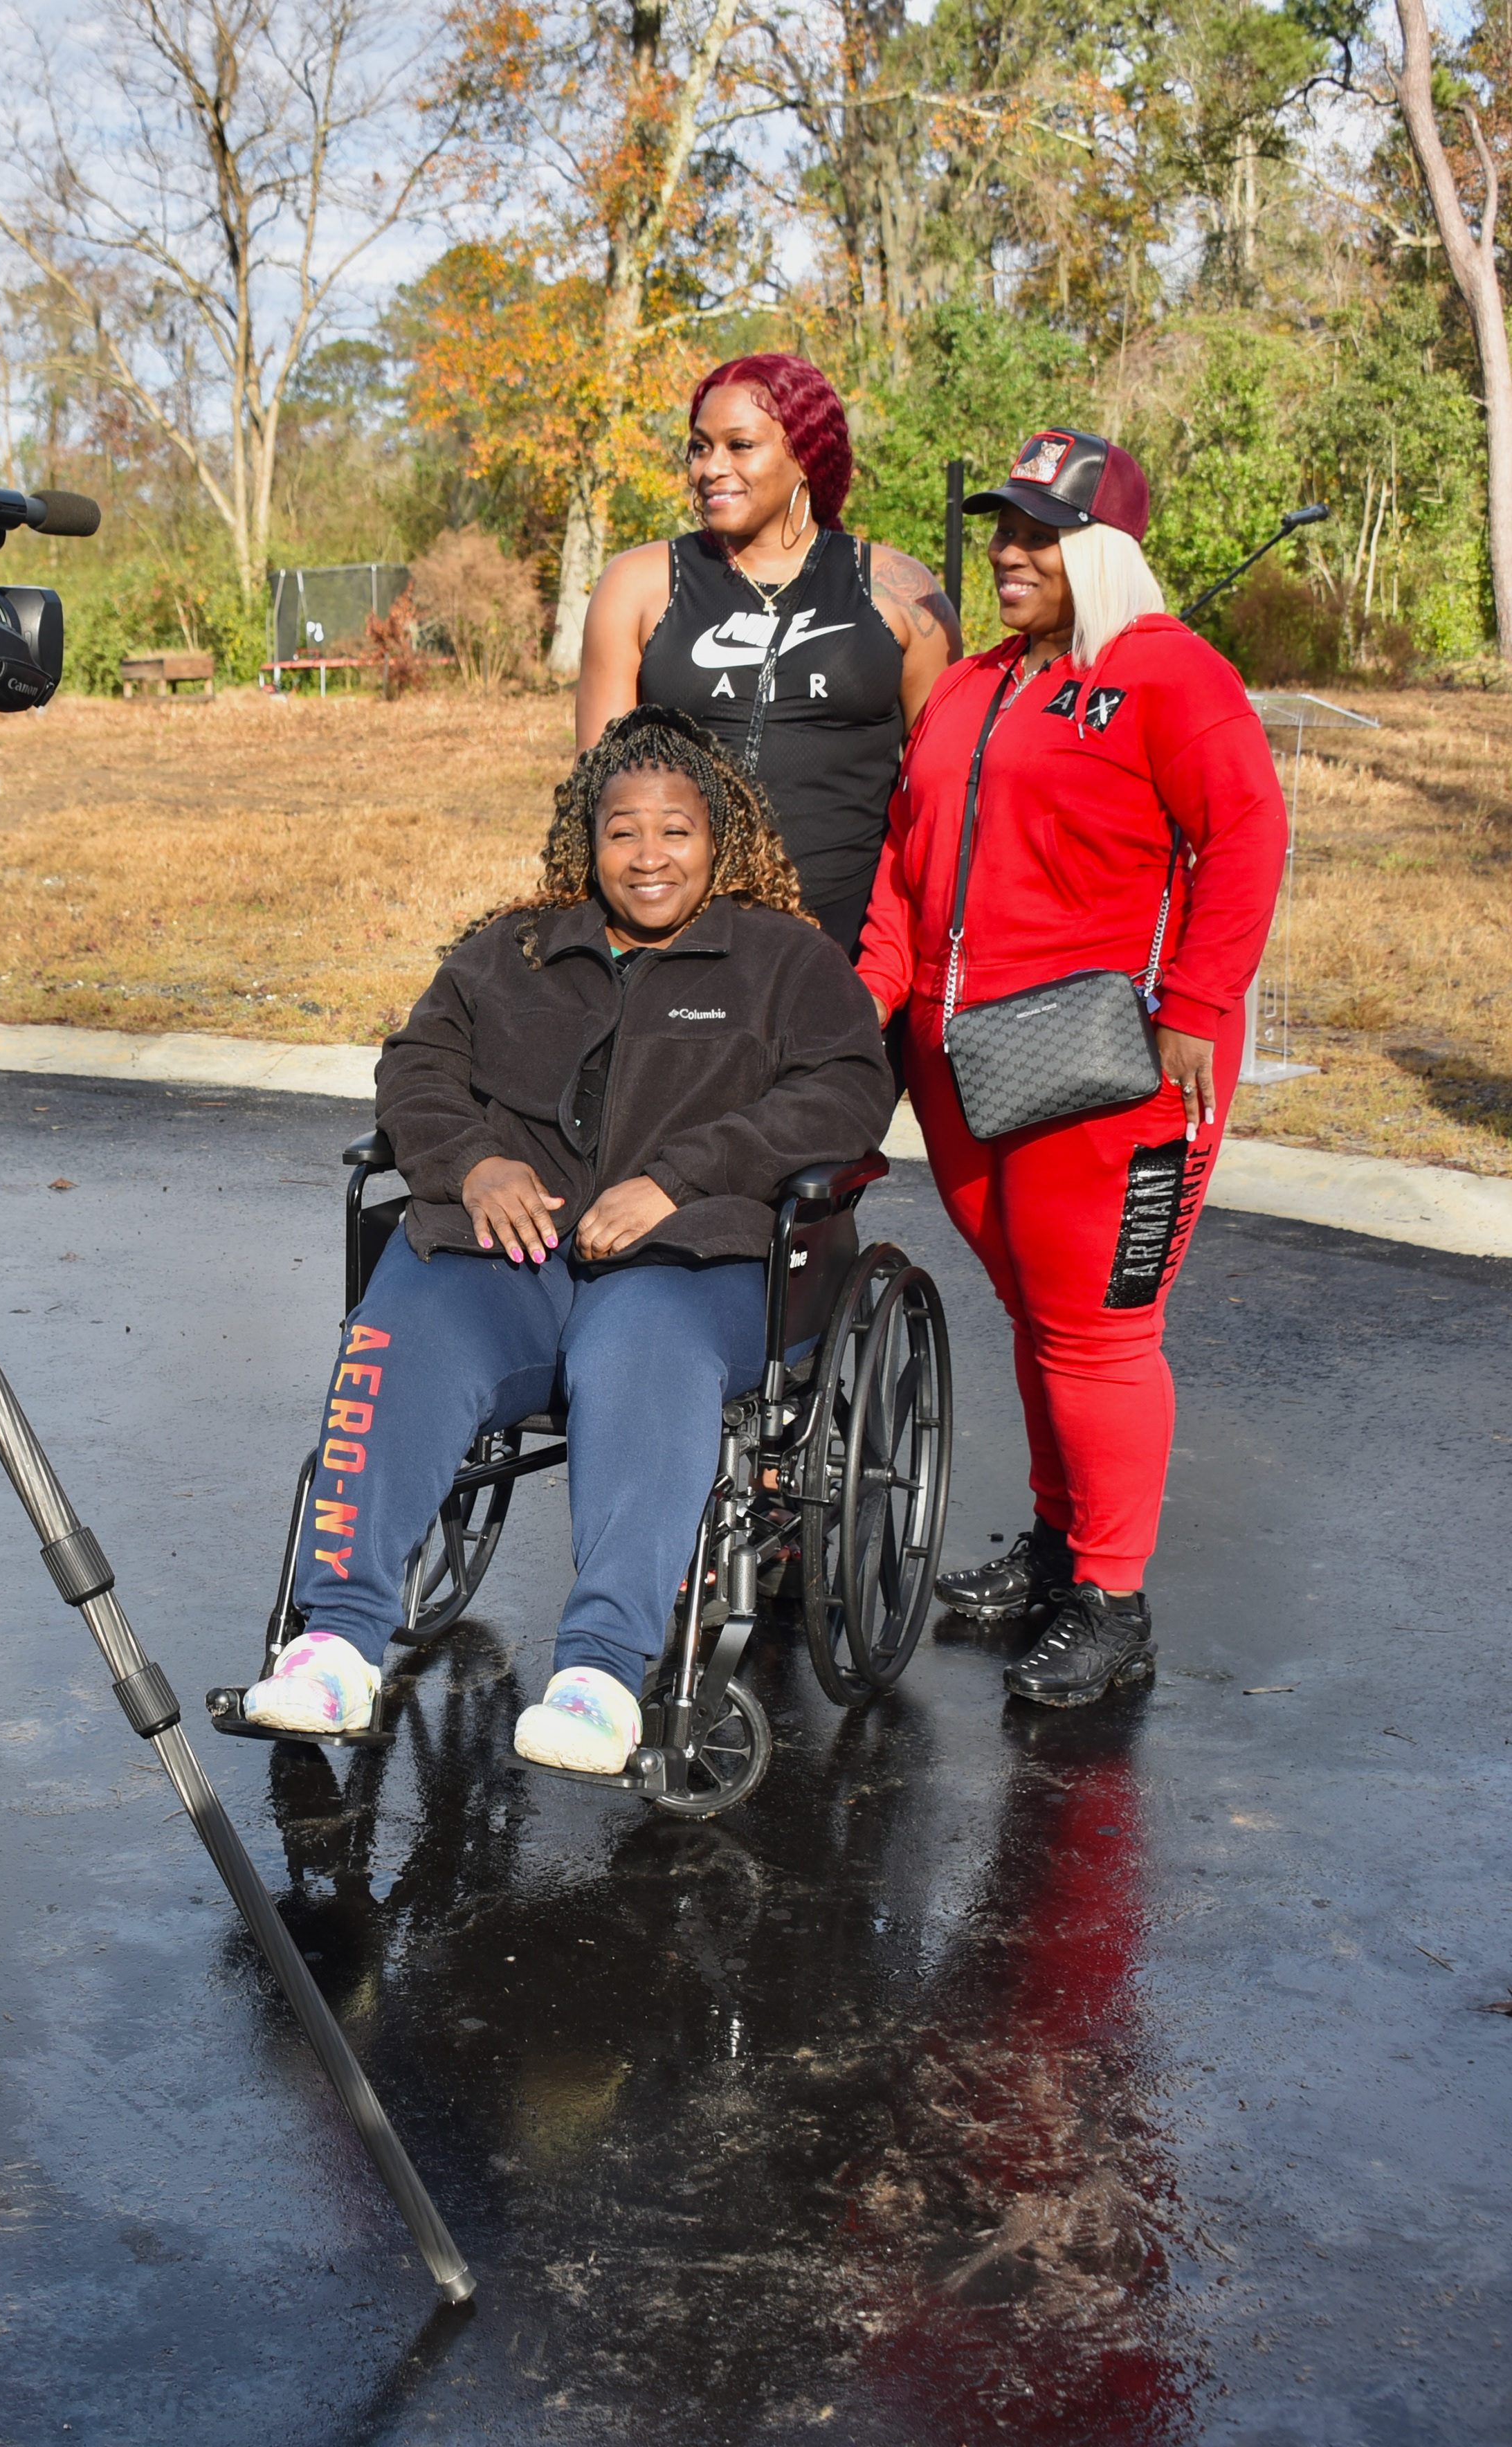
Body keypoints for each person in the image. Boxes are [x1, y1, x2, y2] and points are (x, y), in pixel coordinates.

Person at [241, 707, 895, 1772]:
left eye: (675, 830)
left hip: (693, 1259)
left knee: (641, 1345)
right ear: (587, 843)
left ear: (719, 836)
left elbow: (846, 1095)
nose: (649, 856)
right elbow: (417, 1066)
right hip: (512, 1251)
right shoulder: (514, 950)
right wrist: (470, 1163)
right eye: (622, 831)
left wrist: (678, 1179)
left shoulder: (786, 962)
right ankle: (336, 1646)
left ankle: (599, 1676)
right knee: (404, 1328)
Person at [856, 430, 1287, 1708]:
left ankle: (1113, 1599)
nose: (1009, 553)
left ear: (1104, 551)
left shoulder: (1167, 673)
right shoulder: (973, 683)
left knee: (1098, 1332)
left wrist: (1198, 1005)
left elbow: (1246, 833)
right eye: (1004, 529)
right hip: (963, 1064)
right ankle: (1059, 1547)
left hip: (1113, 1065)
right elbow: (906, 859)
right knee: (1039, 1315)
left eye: (1040, 535)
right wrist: (870, 1001)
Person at [574, 353, 959, 957]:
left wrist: (894, 962)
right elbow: (599, 789)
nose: (711, 468)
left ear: (806, 455)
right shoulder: (640, 584)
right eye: (700, 448)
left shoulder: (900, 593)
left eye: (740, 446)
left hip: (848, 950)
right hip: (677, 947)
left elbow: (939, 800)